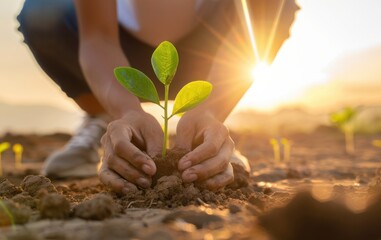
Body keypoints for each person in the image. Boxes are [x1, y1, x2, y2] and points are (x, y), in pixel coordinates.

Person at [17, 0, 299, 194]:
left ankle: (205, 139)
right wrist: (128, 112)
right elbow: (98, 37)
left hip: (209, 49)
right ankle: (105, 119)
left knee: (279, 8)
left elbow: (255, 28)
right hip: (119, 50)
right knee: (42, 11)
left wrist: (211, 111)